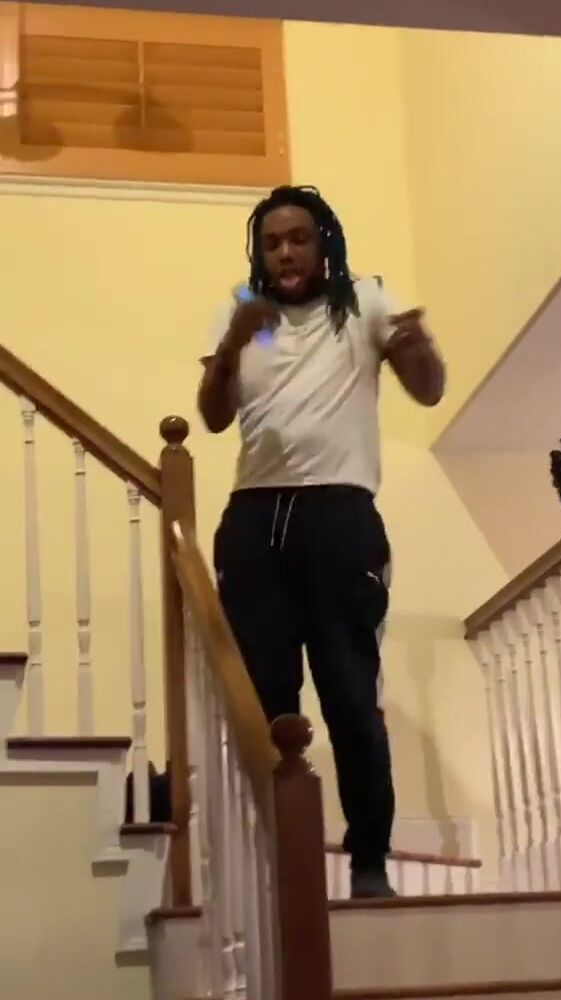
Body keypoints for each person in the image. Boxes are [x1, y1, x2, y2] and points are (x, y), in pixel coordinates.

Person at [198, 185, 445, 898]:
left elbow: (428, 390)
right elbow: (213, 417)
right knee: (266, 702)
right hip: (254, 516)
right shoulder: (247, 313)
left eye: (299, 238)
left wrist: (417, 345)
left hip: (339, 514)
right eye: (272, 242)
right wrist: (232, 343)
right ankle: (276, 864)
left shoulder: (364, 300)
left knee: (348, 692)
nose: (285, 252)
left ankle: (368, 863)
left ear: (323, 243)